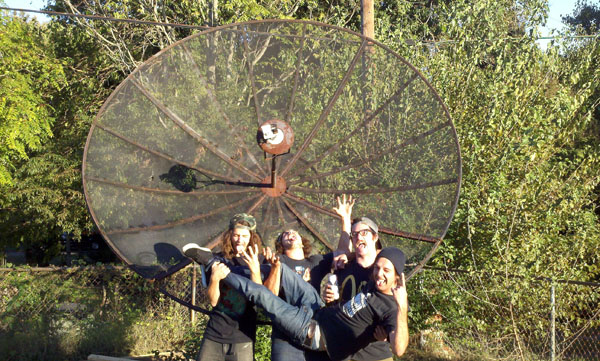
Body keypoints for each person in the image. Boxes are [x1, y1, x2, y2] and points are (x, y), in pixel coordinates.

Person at [183, 244, 409, 361]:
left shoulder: (391, 308)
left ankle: (213, 265)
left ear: (397, 276)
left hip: (313, 332)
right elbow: (359, 256)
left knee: (264, 297)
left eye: (386, 270)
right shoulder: (374, 284)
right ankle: (229, 267)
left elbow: (399, 349)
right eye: (378, 267)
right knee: (284, 273)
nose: (379, 273)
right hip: (317, 308)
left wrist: (403, 307)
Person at [188, 213, 265, 361]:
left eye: (244, 236)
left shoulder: (259, 260)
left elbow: (260, 298)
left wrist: (255, 270)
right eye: (236, 235)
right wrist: (215, 278)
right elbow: (213, 301)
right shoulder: (217, 260)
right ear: (230, 235)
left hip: (243, 336)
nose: (239, 240)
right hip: (215, 333)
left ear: (252, 237)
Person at [323, 210, 393, 361]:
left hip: (376, 353)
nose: (358, 236)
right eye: (354, 234)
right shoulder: (343, 267)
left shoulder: (385, 271)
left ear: (375, 237)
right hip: (344, 352)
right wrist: (329, 300)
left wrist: (389, 332)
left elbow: (396, 306)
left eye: (364, 232)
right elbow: (335, 308)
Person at [270, 229, 333, 360]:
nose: (289, 234)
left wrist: (345, 219)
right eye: (284, 234)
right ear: (281, 244)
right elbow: (269, 295)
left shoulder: (315, 262)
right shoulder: (278, 261)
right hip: (285, 338)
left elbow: (342, 252)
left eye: (294, 232)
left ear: (302, 243)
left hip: (312, 332)